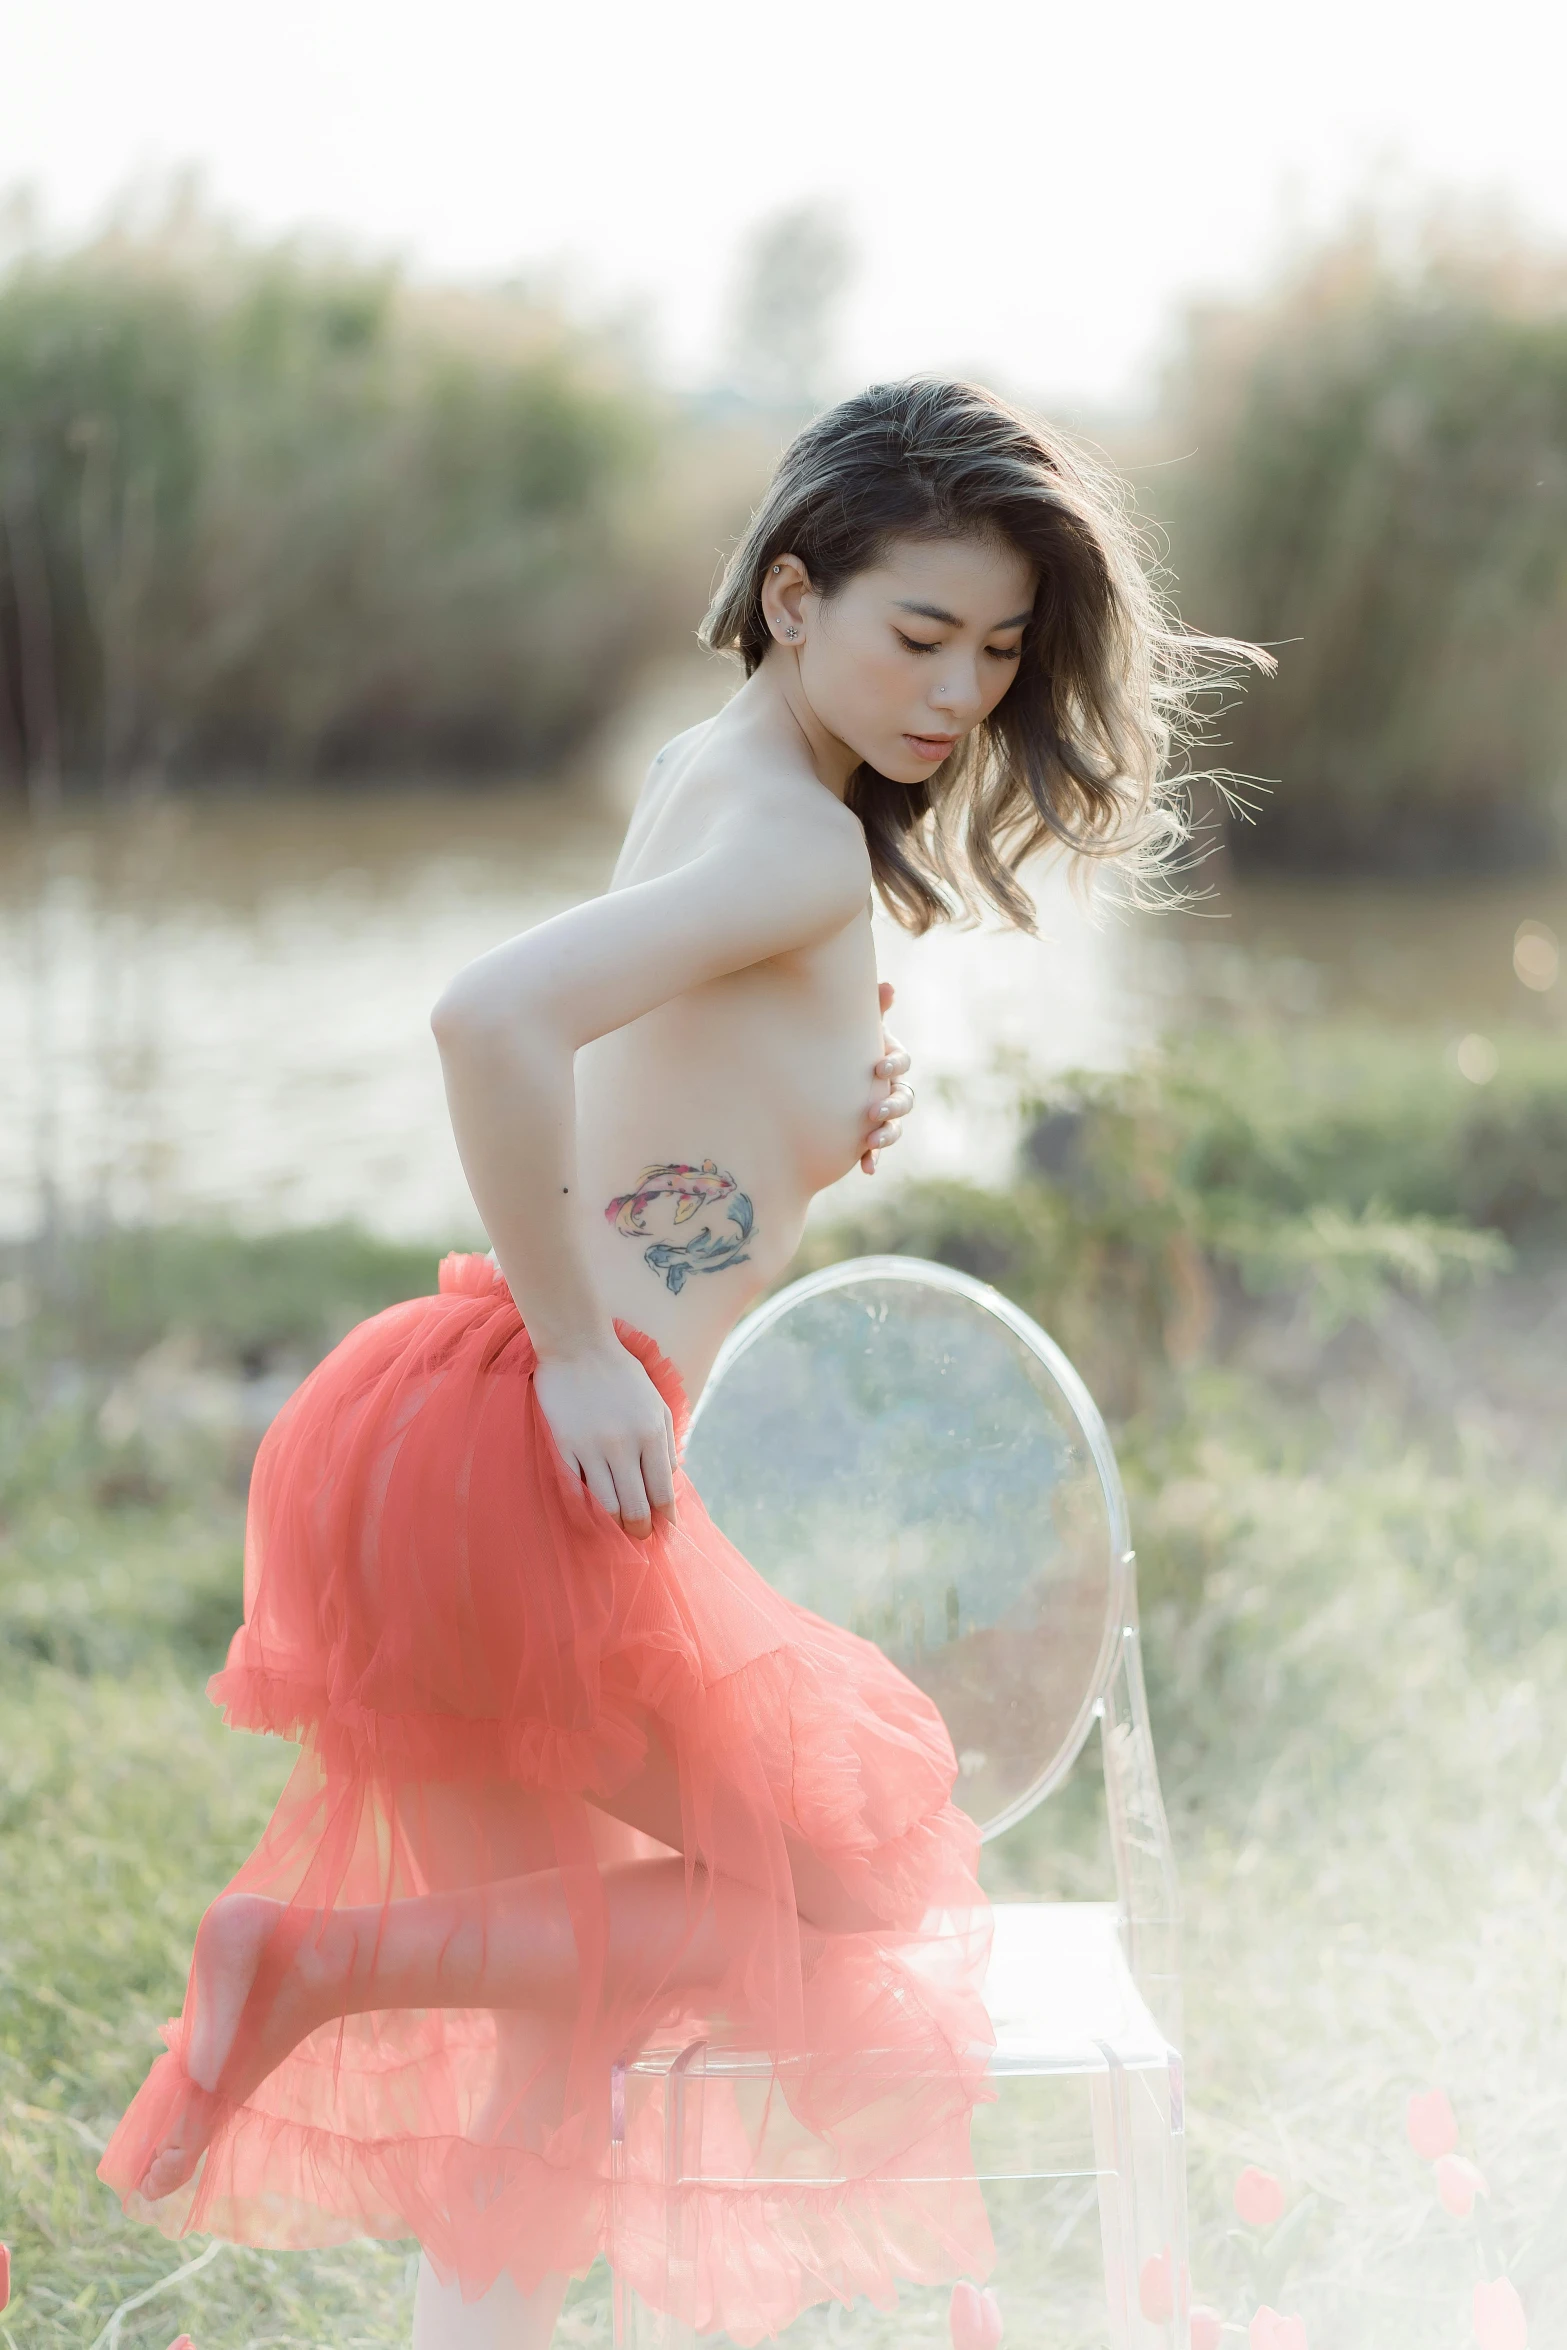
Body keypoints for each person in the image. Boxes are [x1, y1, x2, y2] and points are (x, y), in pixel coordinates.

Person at [99, 377, 1255, 2348]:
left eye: (997, 651)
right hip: (540, 1435)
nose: (961, 692)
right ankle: (301, 1957)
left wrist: (811, 1111)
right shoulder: (802, 852)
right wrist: (578, 1353)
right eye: (920, 633)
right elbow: (488, 1021)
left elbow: (648, 1097)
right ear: (793, 595)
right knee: (854, 1887)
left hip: (439, 1435)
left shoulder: (709, 774)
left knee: (561, 2015)